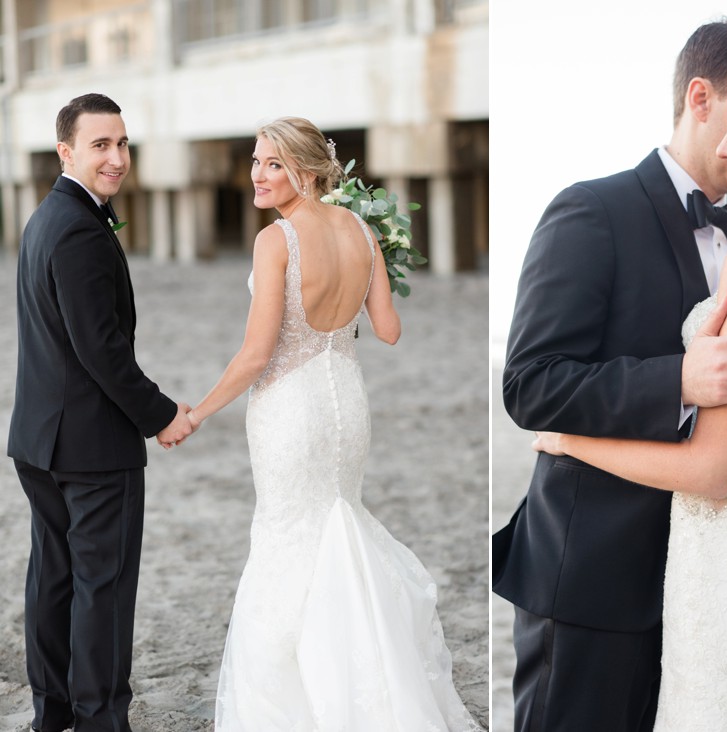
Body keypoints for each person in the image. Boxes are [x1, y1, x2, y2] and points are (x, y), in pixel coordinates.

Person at [492, 19, 727, 732]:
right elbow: (530, 384)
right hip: (596, 584)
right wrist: (678, 380)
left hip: (720, 591)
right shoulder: (591, 211)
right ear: (701, 97)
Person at [178, 117, 479, 730]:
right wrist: (367, 272)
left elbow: (257, 354)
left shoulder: (275, 240)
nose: (258, 175)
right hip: (346, 399)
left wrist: (198, 412)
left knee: (289, 540)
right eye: (257, 162)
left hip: (291, 406)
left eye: (273, 164)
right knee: (337, 523)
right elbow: (390, 332)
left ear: (308, 172)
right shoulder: (363, 230)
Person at [7, 93, 194, 732]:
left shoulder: (44, 219)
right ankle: (99, 720)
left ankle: (52, 714)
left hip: (39, 440)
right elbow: (101, 349)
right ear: (66, 151)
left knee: (54, 581)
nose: (117, 158)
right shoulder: (80, 229)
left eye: (121, 143)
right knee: (102, 589)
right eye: (100, 145)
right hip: (89, 448)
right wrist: (161, 413)